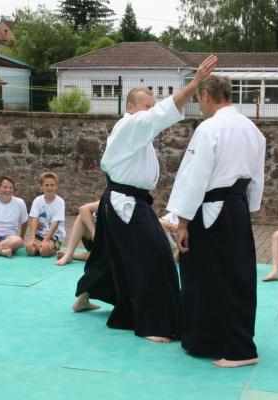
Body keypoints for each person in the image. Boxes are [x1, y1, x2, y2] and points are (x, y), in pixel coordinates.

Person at [73, 55, 218, 343]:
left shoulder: (137, 133)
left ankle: (84, 295)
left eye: (152, 106)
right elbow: (160, 115)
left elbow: (156, 117)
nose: (150, 111)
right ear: (130, 107)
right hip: (124, 203)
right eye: (145, 106)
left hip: (125, 200)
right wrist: (195, 83)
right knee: (156, 257)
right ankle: (153, 323)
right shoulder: (129, 126)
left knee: (107, 255)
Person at [167, 75, 266, 367]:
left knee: (208, 276)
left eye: (199, 99)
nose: (200, 105)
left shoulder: (210, 128)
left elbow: (195, 176)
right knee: (237, 276)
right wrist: (247, 208)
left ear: (207, 95)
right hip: (236, 207)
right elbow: (257, 178)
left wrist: (182, 221)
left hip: (211, 210)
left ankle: (234, 349)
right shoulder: (252, 129)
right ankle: (227, 340)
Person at [26, 172, 66, 257]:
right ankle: (40, 246)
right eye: (46, 185)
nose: (49, 187)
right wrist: (32, 239)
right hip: (40, 234)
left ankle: (56, 247)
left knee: (44, 252)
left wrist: (46, 240)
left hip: (55, 235)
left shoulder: (60, 202)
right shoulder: (37, 200)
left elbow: (56, 223)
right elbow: (34, 219)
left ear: (56, 186)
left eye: (52, 185)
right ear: (41, 186)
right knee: (30, 251)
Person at [56, 201, 99, 266]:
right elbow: (83, 209)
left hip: (109, 247)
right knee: (82, 216)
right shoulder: (109, 198)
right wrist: (93, 232)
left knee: (107, 256)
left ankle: (73, 255)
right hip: (95, 239)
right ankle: (69, 254)